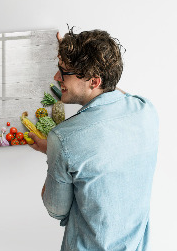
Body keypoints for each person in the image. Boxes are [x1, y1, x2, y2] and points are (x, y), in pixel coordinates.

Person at [28, 28, 159, 250]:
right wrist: (75, 58)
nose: (56, 77)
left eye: (64, 72)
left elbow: (56, 209)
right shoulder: (146, 110)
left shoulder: (63, 138)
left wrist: (53, 152)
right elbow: (112, 91)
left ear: (94, 81)